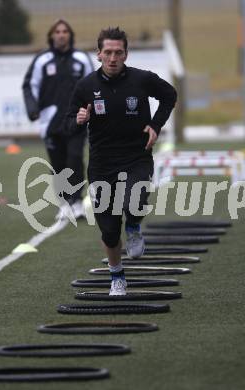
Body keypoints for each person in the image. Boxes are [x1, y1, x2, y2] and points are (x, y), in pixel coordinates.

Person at [65, 27, 177, 295]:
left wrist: (155, 125)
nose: (113, 58)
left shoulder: (141, 80)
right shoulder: (86, 86)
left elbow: (170, 95)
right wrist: (78, 120)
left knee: (134, 200)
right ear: (98, 54)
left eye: (118, 52)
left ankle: (135, 227)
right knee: (109, 230)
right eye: (108, 52)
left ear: (126, 54)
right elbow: (68, 125)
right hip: (102, 163)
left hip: (136, 157)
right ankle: (117, 277)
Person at [22, 19, 94, 219]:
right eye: (58, 31)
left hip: (76, 121)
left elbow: (93, 85)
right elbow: (29, 86)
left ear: (70, 35)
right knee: (58, 163)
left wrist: (91, 111)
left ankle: (77, 201)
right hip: (50, 122)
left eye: (65, 31)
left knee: (75, 159)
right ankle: (64, 202)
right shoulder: (42, 60)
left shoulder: (81, 58)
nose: (61, 35)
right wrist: (33, 109)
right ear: (52, 35)